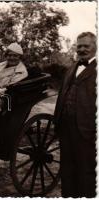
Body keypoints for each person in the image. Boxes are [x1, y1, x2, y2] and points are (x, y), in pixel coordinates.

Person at [54, 32, 97, 197]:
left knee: (86, 172)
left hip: (87, 130)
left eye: (86, 46)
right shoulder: (72, 68)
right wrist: (57, 122)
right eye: (79, 46)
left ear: (95, 46)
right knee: (67, 170)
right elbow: (61, 95)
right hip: (66, 127)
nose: (82, 49)